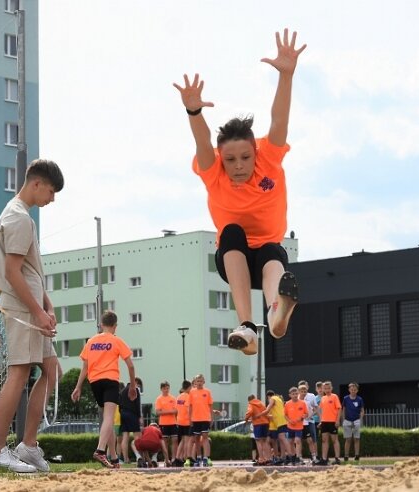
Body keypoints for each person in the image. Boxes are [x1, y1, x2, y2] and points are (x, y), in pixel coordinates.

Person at [173, 29, 306, 355]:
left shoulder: (268, 159)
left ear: (254, 152)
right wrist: (194, 112)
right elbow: (203, 142)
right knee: (231, 232)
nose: (238, 166)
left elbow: (279, 121)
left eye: (245, 157)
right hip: (233, 260)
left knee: (273, 253)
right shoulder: (213, 170)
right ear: (222, 158)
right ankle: (247, 326)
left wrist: (286, 76)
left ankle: (276, 313)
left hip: (267, 258)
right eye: (230, 159)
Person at [0, 159, 65, 473]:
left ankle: (28, 446)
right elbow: (12, 272)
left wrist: (47, 304)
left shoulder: (22, 217)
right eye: (51, 191)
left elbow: (29, 271)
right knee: (18, 374)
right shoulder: (18, 218)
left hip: (33, 306)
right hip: (21, 308)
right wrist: (37, 311)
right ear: (37, 184)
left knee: (51, 369)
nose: (52, 199)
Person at [72, 310, 137, 469]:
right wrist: (133, 386)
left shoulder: (91, 341)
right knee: (109, 418)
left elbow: (85, 367)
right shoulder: (116, 340)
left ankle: (114, 458)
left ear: (101, 325)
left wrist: (78, 386)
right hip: (110, 381)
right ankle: (101, 450)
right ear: (115, 326)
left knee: (106, 420)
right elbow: (130, 365)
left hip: (95, 382)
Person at [189, 374, 219, 466]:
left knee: (205, 437)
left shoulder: (207, 392)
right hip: (195, 419)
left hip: (205, 418)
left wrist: (211, 418)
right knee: (197, 439)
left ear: (204, 382)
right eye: (198, 381)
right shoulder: (192, 392)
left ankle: (206, 457)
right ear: (195, 382)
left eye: (201, 381)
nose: (199, 383)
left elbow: (210, 406)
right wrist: (190, 419)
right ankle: (198, 457)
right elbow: (190, 406)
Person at [119, 377, 143, 465]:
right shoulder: (135, 389)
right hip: (132, 414)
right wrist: (139, 417)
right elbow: (138, 404)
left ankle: (125, 459)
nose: (138, 386)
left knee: (125, 437)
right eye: (138, 384)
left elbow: (119, 404)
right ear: (135, 382)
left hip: (123, 414)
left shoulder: (122, 391)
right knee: (137, 437)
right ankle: (139, 457)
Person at [316, 381, 341, 465]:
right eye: (325, 388)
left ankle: (337, 458)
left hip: (333, 421)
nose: (327, 390)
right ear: (322, 389)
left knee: (334, 440)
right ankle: (324, 459)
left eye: (328, 388)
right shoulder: (323, 398)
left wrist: (337, 420)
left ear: (331, 388)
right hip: (324, 422)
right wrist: (321, 421)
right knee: (324, 440)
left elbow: (339, 409)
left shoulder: (334, 396)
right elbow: (321, 410)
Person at [265, 389, 293, 465]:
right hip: (276, 424)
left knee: (281, 438)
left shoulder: (273, 399)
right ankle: (281, 457)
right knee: (278, 440)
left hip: (278, 423)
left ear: (268, 397)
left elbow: (268, 411)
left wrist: (259, 415)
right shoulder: (279, 400)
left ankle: (290, 456)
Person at [154, 381, 178, 466]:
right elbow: (157, 412)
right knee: (165, 442)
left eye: (167, 388)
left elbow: (176, 411)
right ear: (161, 389)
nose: (166, 390)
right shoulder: (159, 399)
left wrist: (164, 411)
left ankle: (174, 458)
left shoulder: (173, 398)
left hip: (173, 422)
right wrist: (169, 411)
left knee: (175, 440)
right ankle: (166, 459)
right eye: (164, 388)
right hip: (163, 423)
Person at [340, 382, 365, 462]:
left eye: (355, 389)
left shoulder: (360, 399)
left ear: (357, 390)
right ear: (349, 390)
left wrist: (360, 419)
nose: (353, 391)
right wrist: (343, 419)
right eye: (351, 389)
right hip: (347, 420)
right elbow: (343, 409)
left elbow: (362, 410)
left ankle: (357, 455)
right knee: (348, 439)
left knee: (356, 438)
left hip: (356, 420)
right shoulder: (346, 398)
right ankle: (346, 456)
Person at [284, 386, 308, 465]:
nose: (295, 395)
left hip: (299, 426)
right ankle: (293, 456)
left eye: (296, 394)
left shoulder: (302, 403)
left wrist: (302, 417)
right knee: (290, 442)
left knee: (297, 441)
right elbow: (285, 415)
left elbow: (306, 413)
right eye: (293, 394)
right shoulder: (287, 404)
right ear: (290, 395)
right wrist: (289, 420)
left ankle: (298, 457)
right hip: (290, 426)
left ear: (298, 394)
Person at [244, 394, 271, 465]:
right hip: (265, 423)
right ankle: (266, 458)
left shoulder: (251, 404)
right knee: (264, 441)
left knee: (258, 441)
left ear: (249, 400)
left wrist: (246, 419)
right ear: (255, 398)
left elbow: (250, 412)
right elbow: (266, 412)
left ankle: (261, 459)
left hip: (258, 424)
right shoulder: (261, 403)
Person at [173, 380, 193, 467]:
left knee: (181, 441)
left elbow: (176, 410)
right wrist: (191, 419)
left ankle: (177, 457)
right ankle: (185, 458)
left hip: (179, 421)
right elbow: (188, 409)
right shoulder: (188, 397)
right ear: (189, 387)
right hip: (186, 421)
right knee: (187, 440)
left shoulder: (178, 397)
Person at [298, 381, 318, 462]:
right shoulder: (296, 400)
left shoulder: (310, 398)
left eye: (305, 391)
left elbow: (315, 409)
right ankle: (299, 457)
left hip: (307, 423)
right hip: (298, 424)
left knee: (310, 440)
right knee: (298, 441)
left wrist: (309, 416)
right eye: (302, 391)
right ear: (299, 391)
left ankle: (314, 457)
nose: (303, 393)